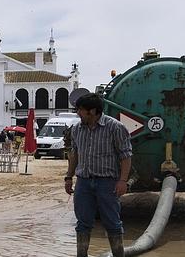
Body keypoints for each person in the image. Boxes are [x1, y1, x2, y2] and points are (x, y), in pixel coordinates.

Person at [64, 93, 132, 257]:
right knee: (83, 224)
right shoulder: (77, 129)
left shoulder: (115, 127)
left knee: (112, 224)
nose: (78, 114)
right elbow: (75, 154)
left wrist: (122, 181)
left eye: (80, 110)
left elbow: (126, 156)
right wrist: (68, 177)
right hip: (83, 183)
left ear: (93, 111)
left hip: (107, 183)